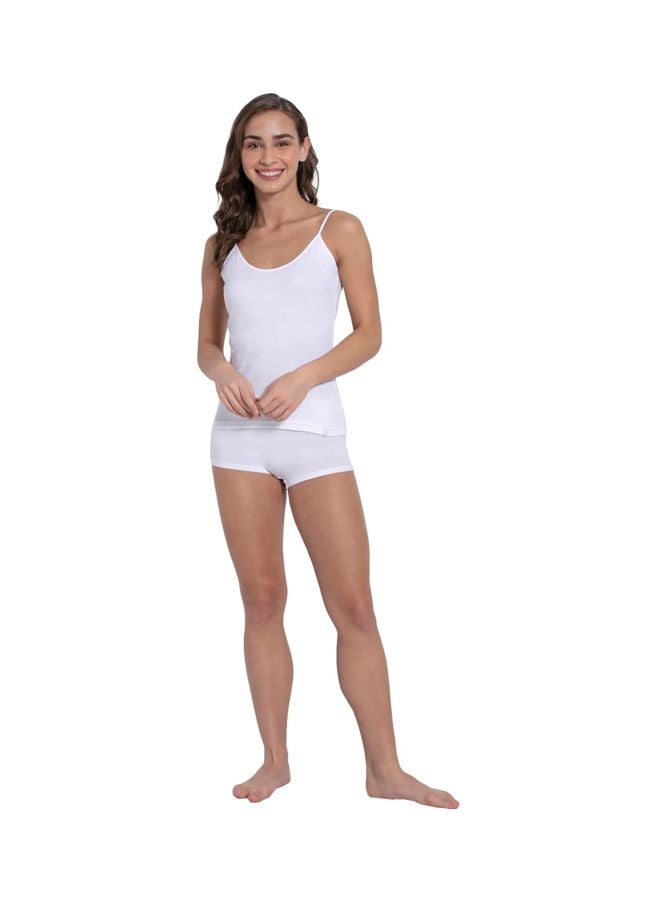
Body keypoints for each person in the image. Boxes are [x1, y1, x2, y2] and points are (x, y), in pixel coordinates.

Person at [197, 92, 459, 809]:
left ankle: (385, 770)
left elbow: (370, 334)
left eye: (282, 142)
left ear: (304, 149)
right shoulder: (222, 245)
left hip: (315, 436)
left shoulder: (339, 228)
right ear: (240, 154)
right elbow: (206, 345)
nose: (269, 156)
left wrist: (303, 377)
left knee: (354, 605)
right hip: (239, 441)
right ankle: (274, 760)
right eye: (254, 143)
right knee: (261, 600)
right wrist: (221, 373)